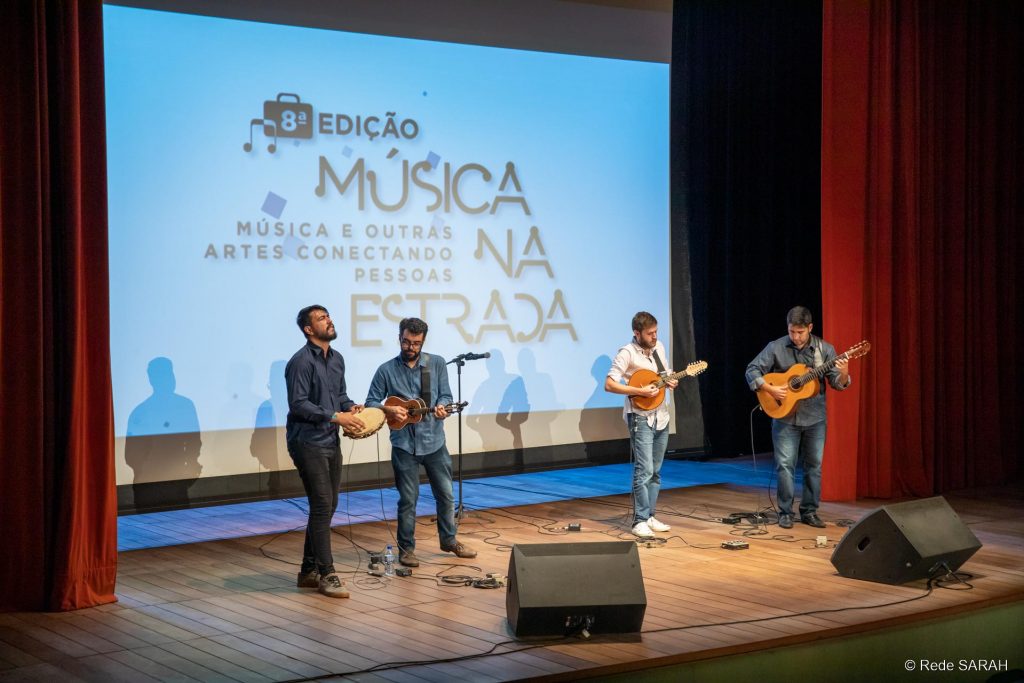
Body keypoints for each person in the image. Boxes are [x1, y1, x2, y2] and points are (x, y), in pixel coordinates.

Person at [366, 317, 477, 567]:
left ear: (423, 341)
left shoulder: (436, 364)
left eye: (416, 343)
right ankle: (406, 550)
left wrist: (443, 407)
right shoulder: (386, 370)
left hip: (434, 441)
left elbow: (446, 395)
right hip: (404, 444)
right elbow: (371, 401)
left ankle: (449, 540)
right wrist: (388, 410)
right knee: (408, 500)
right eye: (406, 342)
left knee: (446, 495)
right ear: (399, 338)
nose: (410, 347)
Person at [745, 306, 851, 529]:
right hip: (784, 416)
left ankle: (809, 511)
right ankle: (785, 512)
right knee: (785, 465)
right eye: (792, 331)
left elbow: (837, 384)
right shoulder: (776, 346)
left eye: (800, 332)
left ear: (810, 328)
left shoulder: (825, 349)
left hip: (815, 417)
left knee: (814, 466)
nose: (795, 337)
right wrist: (769, 389)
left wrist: (843, 372)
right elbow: (752, 370)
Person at [285, 305, 365, 598]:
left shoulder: (337, 359)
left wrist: (350, 407)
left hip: (330, 440)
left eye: (328, 316)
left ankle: (308, 570)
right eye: (321, 318)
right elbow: (298, 404)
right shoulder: (300, 362)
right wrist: (335, 416)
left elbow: (339, 395)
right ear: (308, 329)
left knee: (328, 506)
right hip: (307, 441)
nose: (329, 320)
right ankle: (327, 573)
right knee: (321, 505)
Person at [605, 311, 678, 538]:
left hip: (661, 415)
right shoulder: (627, 353)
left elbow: (663, 375)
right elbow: (609, 384)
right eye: (650, 333)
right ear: (637, 333)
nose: (654, 336)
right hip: (640, 417)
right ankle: (639, 520)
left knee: (655, 471)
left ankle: (650, 515)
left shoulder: (659, 348)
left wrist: (670, 381)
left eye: (656, 332)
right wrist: (639, 390)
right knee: (644, 470)